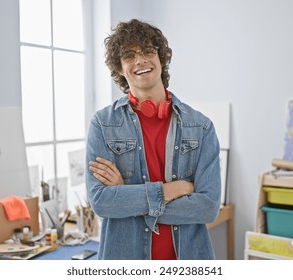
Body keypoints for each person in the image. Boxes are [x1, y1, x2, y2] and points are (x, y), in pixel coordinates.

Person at [85, 19, 221, 260]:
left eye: (148, 51)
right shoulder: (102, 125)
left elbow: (208, 208)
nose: (140, 60)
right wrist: (175, 189)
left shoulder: (201, 127)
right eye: (129, 55)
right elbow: (102, 203)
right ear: (119, 67)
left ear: (161, 60)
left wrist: (127, 196)